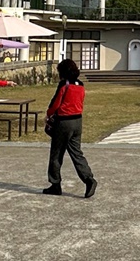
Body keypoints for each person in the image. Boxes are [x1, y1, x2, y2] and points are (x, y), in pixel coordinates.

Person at [43, 58, 97, 198]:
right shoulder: (80, 84)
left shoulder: (64, 85)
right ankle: (89, 179)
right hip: (77, 120)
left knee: (56, 153)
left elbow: (55, 104)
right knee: (77, 153)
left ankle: (55, 184)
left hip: (64, 122)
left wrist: (48, 114)